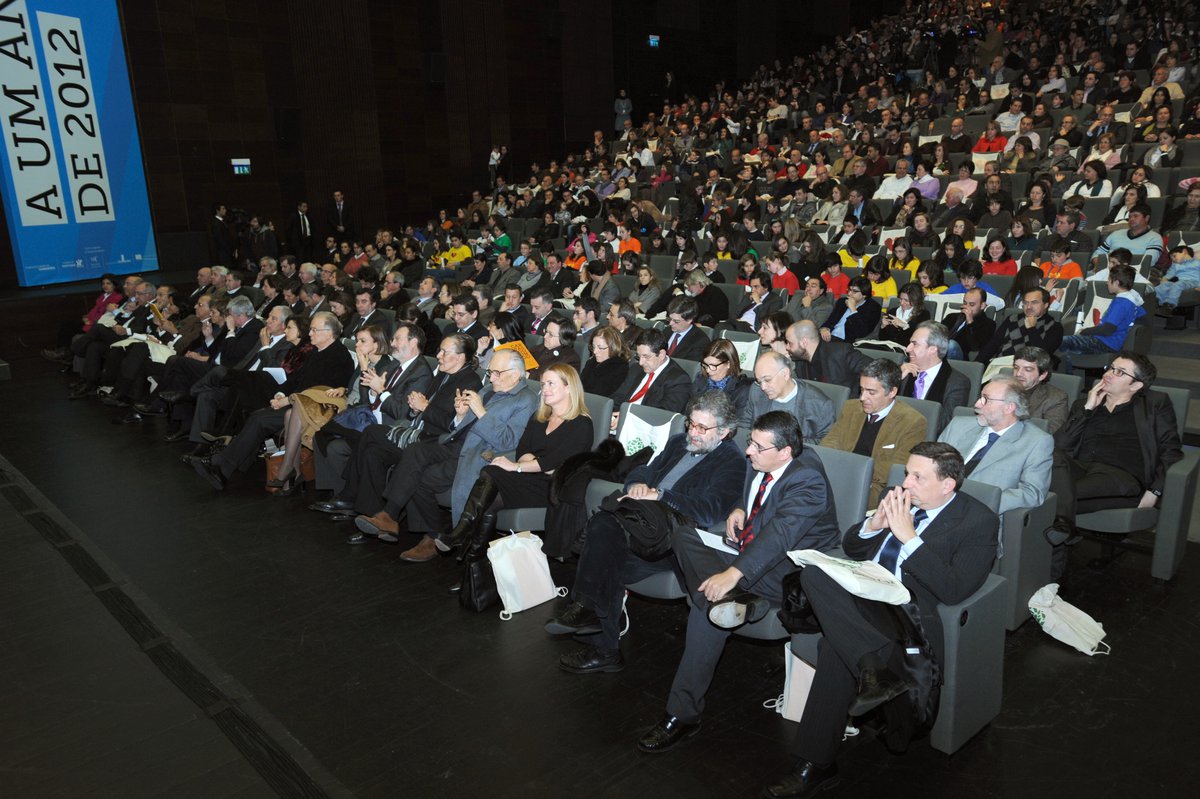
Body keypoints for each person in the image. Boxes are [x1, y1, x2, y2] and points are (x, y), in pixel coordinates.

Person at [763, 443, 997, 798]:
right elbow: (854, 547)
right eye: (907, 472)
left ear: (947, 485)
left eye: (918, 476)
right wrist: (874, 525)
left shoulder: (978, 521)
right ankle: (872, 665)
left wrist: (909, 538)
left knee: (833, 648)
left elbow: (954, 589)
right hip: (863, 595)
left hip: (905, 612)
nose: (907, 482)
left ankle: (816, 764)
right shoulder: (897, 496)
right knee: (813, 575)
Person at [636, 411, 842, 755]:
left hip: (788, 569)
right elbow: (751, 496)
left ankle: (681, 714)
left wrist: (733, 574)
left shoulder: (808, 480)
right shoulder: (761, 457)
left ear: (786, 452)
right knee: (683, 535)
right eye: (751, 442)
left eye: (758, 447)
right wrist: (737, 508)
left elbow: (779, 536)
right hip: (749, 551)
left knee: (705, 610)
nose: (748, 451)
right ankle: (737, 598)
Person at [547, 392, 748, 673]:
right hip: (639, 525)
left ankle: (589, 613)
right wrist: (637, 486)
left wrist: (661, 496)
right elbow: (643, 470)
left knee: (603, 535)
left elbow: (709, 511)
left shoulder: (732, 462)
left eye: (703, 428)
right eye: (691, 424)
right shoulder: (680, 442)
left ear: (725, 432)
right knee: (608, 547)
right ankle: (601, 643)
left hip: (675, 540)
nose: (694, 432)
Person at [1048, 352, 1182, 579]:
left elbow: (1171, 451)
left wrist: (1155, 491)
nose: (1109, 374)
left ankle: (1053, 565)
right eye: (1110, 368)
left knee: (1050, 498)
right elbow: (1060, 444)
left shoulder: (1155, 404)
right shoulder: (1085, 402)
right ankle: (1063, 534)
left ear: (1136, 385)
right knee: (1051, 455)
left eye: (1119, 372)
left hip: (1122, 475)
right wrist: (1088, 409)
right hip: (1081, 467)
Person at [441, 363, 594, 558]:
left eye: (550, 384)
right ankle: (471, 560)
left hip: (552, 489)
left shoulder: (581, 424)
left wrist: (518, 466)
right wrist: (529, 463)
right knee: (491, 492)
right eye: (543, 384)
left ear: (568, 387)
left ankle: (462, 537)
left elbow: (553, 465)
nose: (544, 389)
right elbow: (523, 448)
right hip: (529, 479)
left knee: (493, 476)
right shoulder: (540, 417)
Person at [190, 311, 355, 489]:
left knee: (260, 419)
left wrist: (288, 400)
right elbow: (295, 379)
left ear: (329, 333)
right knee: (256, 411)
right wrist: (279, 394)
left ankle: (222, 466)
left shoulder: (340, 356)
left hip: (314, 410)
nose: (310, 333)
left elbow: (321, 392)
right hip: (298, 403)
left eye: (315, 330)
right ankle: (225, 465)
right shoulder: (317, 351)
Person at [937, 377, 1053, 513]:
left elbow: (1032, 493)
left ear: (1009, 407)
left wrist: (981, 502)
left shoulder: (1036, 442)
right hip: (934, 501)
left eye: (986, 399)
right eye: (980, 397)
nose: (978, 404)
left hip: (976, 514)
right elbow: (931, 465)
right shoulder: (959, 425)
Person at [821, 358, 927, 504]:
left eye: (871, 392)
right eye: (862, 390)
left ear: (892, 392)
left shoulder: (912, 422)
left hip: (873, 487)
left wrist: (851, 469)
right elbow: (830, 444)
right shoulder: (851, 407)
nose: (863, 397)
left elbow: (896, 468)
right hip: (838, 476)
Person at [1057, 265, 1146, 370]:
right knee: (1068, 350)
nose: (1107, 282)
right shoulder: (1132, 299)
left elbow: (1107, 330)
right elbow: (1141, 314)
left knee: (1060, 341)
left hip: (1104, 343)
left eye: (1109, 280)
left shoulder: (1121, 303)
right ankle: (1071, 374)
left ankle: (1068, 376)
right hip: (1109, 341)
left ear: (1116, 282)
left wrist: (1084, 331)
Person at [738, 351, 834, 444]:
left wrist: (783, 444)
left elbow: (825, 444)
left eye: (767, 380)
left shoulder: (819, 403)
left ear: (785, 374)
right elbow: (744, 426)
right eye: (759, 381)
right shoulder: (756, 391)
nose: (763, 387)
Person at [900, 321, 971, 433]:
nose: (908, 349)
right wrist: (895, 381)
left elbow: (946, 425)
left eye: (915, 344)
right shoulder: (903, 372)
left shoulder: (957, 382)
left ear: (933, 349)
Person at [976, 287, 1064, 363]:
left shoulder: (1054, 327)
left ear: (1046, 305)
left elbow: (1041, 355)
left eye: (1034, 302)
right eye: (1025, 303)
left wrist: (1032, 329)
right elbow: (993, 344)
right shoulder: (1012, 319)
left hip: (1027, 370)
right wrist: (976, 365)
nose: (1029, 307)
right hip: (1000, 365)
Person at [785, 320, 872, 394]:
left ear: (804, 343)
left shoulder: (840, 352)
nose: (787, 347)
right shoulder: (800, 362)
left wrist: (863, 393)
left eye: (790, 343)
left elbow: (877, 370)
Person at [1011, 346, 1070, 433]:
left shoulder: (1056, 398)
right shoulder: (1001, 388)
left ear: (1042, 375)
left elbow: (1050, 433)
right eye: (1016, 368)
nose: (1018, 374)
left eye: (1027, 369)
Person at [690, 339, 753, 414]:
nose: (708, 370)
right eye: (705, 365)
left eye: (713, 365)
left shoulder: (742, 389)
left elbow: (739, 421)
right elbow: (689, 410)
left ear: (729, 364)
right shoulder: (700, 379)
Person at [820, 276, 882, 345]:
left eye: (854, 291)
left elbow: (862, 332)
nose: (849, 293)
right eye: (849, 289)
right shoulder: (842, 302)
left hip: (846, 342)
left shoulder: (873, 308)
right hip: (830, 337)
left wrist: (853, 309)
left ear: (864, 294)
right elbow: (830, 320)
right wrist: (824, 328)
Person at [941, 288, 996, 360]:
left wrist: (970, 323)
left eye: (972, 304)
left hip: (961, 355)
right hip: (940, 349)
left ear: (982, 306)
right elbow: (938, 333)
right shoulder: (952, 317)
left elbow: (976, 347)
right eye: (965, 303)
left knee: (951, 344)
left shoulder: (988, 324)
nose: (967, 307)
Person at [580, 325, 631, 399]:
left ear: (613, 347)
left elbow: (601, 397)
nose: (595, 351)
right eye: (593, 346)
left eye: (600, 348)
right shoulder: (591, 362)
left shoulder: (620, 368)